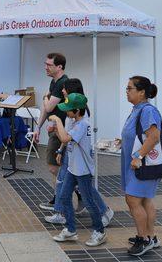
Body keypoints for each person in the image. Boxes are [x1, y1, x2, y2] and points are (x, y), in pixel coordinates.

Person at [45, 78, 114, 227]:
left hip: (78, 159)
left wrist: (57, 122)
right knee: (63, 185)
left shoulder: (81, 119)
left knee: (82, 188)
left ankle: (100, 217)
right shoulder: (73, 111)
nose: (62, 91)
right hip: (70, 154)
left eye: (64, 88)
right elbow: (67, 135)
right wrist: (60, 149)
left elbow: (67, 135)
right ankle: (63, 216)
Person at [50, 93, 106, 246]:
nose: (66, 112)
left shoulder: (83, 124)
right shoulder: (76, 123)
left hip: (83, 171)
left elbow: (65, 138)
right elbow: (66, 139)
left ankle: (99, 231)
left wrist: (56, 120)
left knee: (88, 202)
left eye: (68, 109)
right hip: (72, 168)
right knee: (64, 197)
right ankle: (70, 229)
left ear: (77, 110)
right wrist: (58, 138)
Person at [121, 76, 162, 257]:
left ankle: (143, 239)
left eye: (130, 88)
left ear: (142, 92)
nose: (127, 91)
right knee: (145, 200)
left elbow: (154, 136)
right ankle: (150, 237)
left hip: (142, 164)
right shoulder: (138, 109)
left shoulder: (147, 111)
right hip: (136, 163)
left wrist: (138, 155)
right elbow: (139, 135)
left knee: (133, 200)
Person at [32, 52, 68, 211]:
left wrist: (45, 98)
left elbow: (48, 107)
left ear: (59, 67)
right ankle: (60, 197)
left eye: (49, 65)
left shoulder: (62, 84)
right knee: (55, 166)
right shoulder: (54, 83)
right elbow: (46, 110)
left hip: (61, 131)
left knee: (54, 167)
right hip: (54, 129)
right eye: (45, 64)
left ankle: (66, 194)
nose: (45, 67)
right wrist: (37, 128)